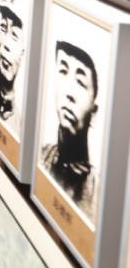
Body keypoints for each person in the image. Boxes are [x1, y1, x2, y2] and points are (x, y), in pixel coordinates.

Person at [40, 40, 98, 220]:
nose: (69, 93)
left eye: (80, 82)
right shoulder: (41, 156)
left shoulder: (97, 192)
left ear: (94, 112)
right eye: (63, 71)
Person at [0, 0, 24, 128]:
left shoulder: (21, 126)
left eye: (14, 35)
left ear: (23, 51)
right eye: (3, 27)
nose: (6, 44)